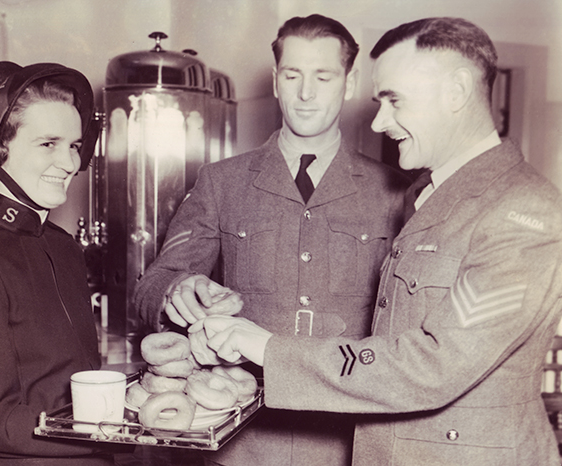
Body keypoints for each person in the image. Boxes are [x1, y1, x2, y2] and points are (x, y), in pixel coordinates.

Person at [193, 17, 562, 466]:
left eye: (395, 101)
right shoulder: (429, 194)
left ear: (457, 91)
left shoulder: (523, 211)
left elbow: (434, 363)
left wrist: (268, 349)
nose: (381, 121)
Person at [134, 14, 408, 466]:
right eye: (292, 75)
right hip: (245, 442)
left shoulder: (393, 192)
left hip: (348, 441)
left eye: (323, 76)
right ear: (276, 81)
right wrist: (176, 291)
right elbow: (152, 284)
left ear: (350, 81)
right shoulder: (222, 182)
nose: (306, 93)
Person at [0, 61, 122, 465]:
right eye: (48, 144)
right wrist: (112, 430)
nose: (70, 163)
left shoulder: (63, 246)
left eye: (74, 145)